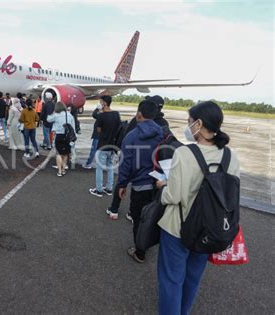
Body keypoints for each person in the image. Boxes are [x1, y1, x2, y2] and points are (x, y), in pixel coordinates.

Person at [155, 101, 239, 315]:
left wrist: (162, 186)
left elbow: (173, 196)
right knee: (192, 280)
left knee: (171, 282)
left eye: (189, 121)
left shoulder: (184, 154)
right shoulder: (231, 157)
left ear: (199, 124)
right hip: (210, 228)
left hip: (178, 228)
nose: (187, 125)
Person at [117, 100, 164, 262]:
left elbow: (125, 164)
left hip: (140, 185)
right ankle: (149, 243)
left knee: (139, 218)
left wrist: (122, 184)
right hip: (160, 185)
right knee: (154, 216)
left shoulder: (131, 137)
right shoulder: (163, 133)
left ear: (139, 114)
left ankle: (140, 251)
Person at [89, 95, 121, 198]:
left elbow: (98, 130)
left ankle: (98, 190)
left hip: (102, 145)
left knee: (99, 168)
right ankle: (109, 188)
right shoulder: (116, 114)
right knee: (110, 168)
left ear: (104, 103)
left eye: (101, 102)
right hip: (112, 146)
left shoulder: (101, 116)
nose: (100, 104)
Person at [47, 101, 75, 176]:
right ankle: (63, 170)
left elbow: (48, 119)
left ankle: (59, 171)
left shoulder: (56, 115)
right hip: (67, 136)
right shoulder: (69, 115)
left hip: (59, 135)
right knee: (65, 153)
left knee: (58, 153)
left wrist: (53, 112)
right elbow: (73, 127)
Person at [82, 102, 103, 169]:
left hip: (97, 136)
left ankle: (89, 163)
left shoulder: (99, 116)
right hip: (103, 136)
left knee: (94, 150)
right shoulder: (105, 115)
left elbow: (94, 114)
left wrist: (97, 108)